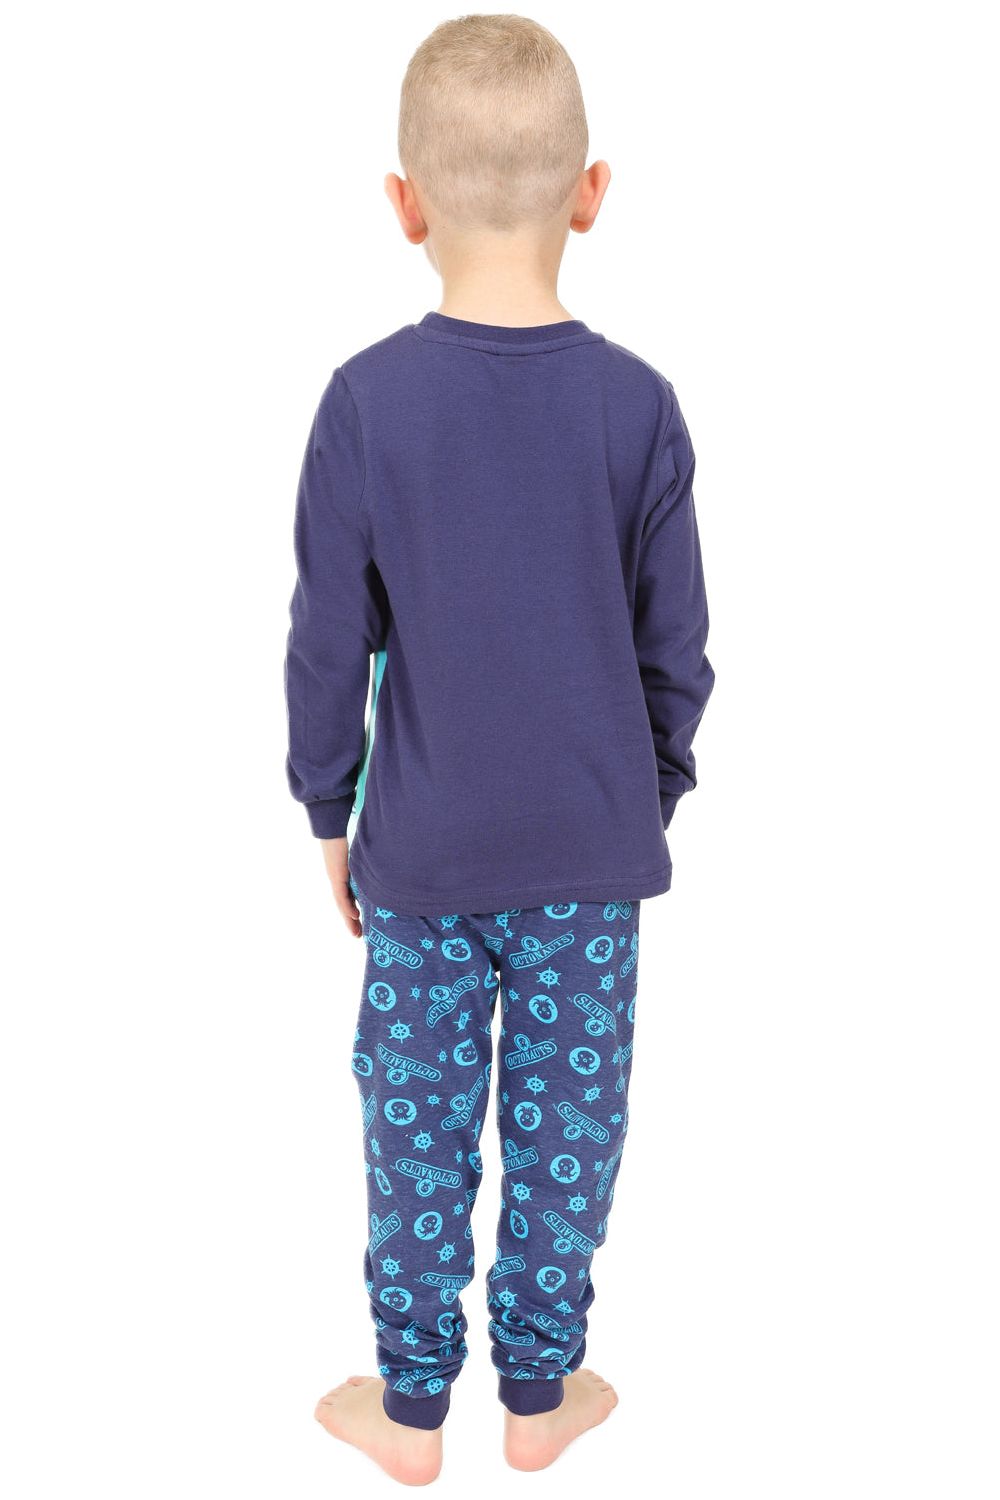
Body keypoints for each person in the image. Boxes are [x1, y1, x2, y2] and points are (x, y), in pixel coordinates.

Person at [284, 13, 715, 1485]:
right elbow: (678, 650)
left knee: (415, 1134)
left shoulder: (367, 403)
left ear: (403, 204)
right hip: (590, 856)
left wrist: (329, 809)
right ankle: (539, 1392)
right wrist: (646, 792)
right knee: (568, 1128)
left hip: (419, 855)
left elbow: (326, 641)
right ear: (592, 193)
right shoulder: (638, 406)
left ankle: (411, 1411)